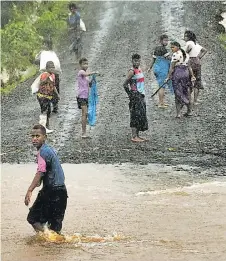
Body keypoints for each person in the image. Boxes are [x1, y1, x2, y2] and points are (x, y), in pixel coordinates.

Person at [25, 124, 68, 234]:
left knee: (32, 219)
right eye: (33, 136)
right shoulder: (50, 150)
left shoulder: (43, 152)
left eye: (38, 136)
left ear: (45, 137)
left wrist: (30, 190)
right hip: (62, 192)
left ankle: (47, 237)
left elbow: (40, 172)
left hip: (51, 192)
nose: (34, 138)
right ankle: (53, 242)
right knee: (56, 228)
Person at [165, 42, 196, 118]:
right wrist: (192, 75)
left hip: (178, 74)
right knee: (187, 91)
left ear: (178, 47)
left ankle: (178, 113)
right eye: (171, 47)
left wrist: (168, 77)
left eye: (173, 47)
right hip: (186, 73)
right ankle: (189, 111)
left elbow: (172, 68)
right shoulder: (186, 54)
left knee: (177, 93)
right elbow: (189, 67)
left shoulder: (176, 55)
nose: (172, 49)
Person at [123, 53, 149, 142]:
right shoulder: (131, 71)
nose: (137, 62)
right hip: (135, 95)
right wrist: (130, 94)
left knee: (140, 115)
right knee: (135, 115)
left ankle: (137, 135)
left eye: (138, 61)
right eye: (135, 61)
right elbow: (125, 84)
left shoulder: (139, 69)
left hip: (141, 95)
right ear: (132, 61)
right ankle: (134, 136)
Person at [35, 39, 61, 113]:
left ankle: (54, 105)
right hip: (48, 74)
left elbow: (36, 61)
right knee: (50, 88)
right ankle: (49, 105)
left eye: (45, 44)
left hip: (53, 74)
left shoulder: (48, 53)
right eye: (43, 44)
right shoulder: (49, 53)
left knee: (53, 88)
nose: (44, 46)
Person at [148, 34, 173, 108]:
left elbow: (153, 59)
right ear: (161, 41)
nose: (166, 42)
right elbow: (169, 58)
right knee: (162, 86)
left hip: (157, 69)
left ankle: (162, 102)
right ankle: (160, 103)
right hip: (162, 69)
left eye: (167, 40)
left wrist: (150, 67)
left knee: (161, 85)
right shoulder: (163, 49)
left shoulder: (156, 48)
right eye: (165, 40)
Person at [184, 30, 207, 105]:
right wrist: (199, 57)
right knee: (197, 81)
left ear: (188, 37)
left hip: (190, 62)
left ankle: (188, 99)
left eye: (185, 36)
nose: (184, 38)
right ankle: (195, 100)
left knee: (189, 80)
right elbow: (204, 50)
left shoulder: (188, 43)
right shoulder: (196, 43)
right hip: (197, 62)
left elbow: (185, 53)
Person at [77, 58, 99, 138]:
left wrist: (92, 80)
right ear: (80, 65)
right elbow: (86, 74)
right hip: (81, 96)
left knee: (85, 114)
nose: (86, 65)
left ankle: (84, 132)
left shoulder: (86, 76)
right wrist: (94, 72)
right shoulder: (81, 72)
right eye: (84, 64)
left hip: (86, 96)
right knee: (84, 113)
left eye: (87, 63)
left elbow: (89, 84)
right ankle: (83, 133)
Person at [37, 61, 60, 133]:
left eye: (53, 67)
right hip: (42, 96)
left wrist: (57, 94)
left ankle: (47, 126)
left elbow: (53, 86)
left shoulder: (53, 75)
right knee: (44, 111)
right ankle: (43, 127)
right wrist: (46, 79)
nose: (52, 69)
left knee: (48, 111)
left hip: (48, 96)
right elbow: (41, 83)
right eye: (50, 67)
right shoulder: (45, 74)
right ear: (46, 68)